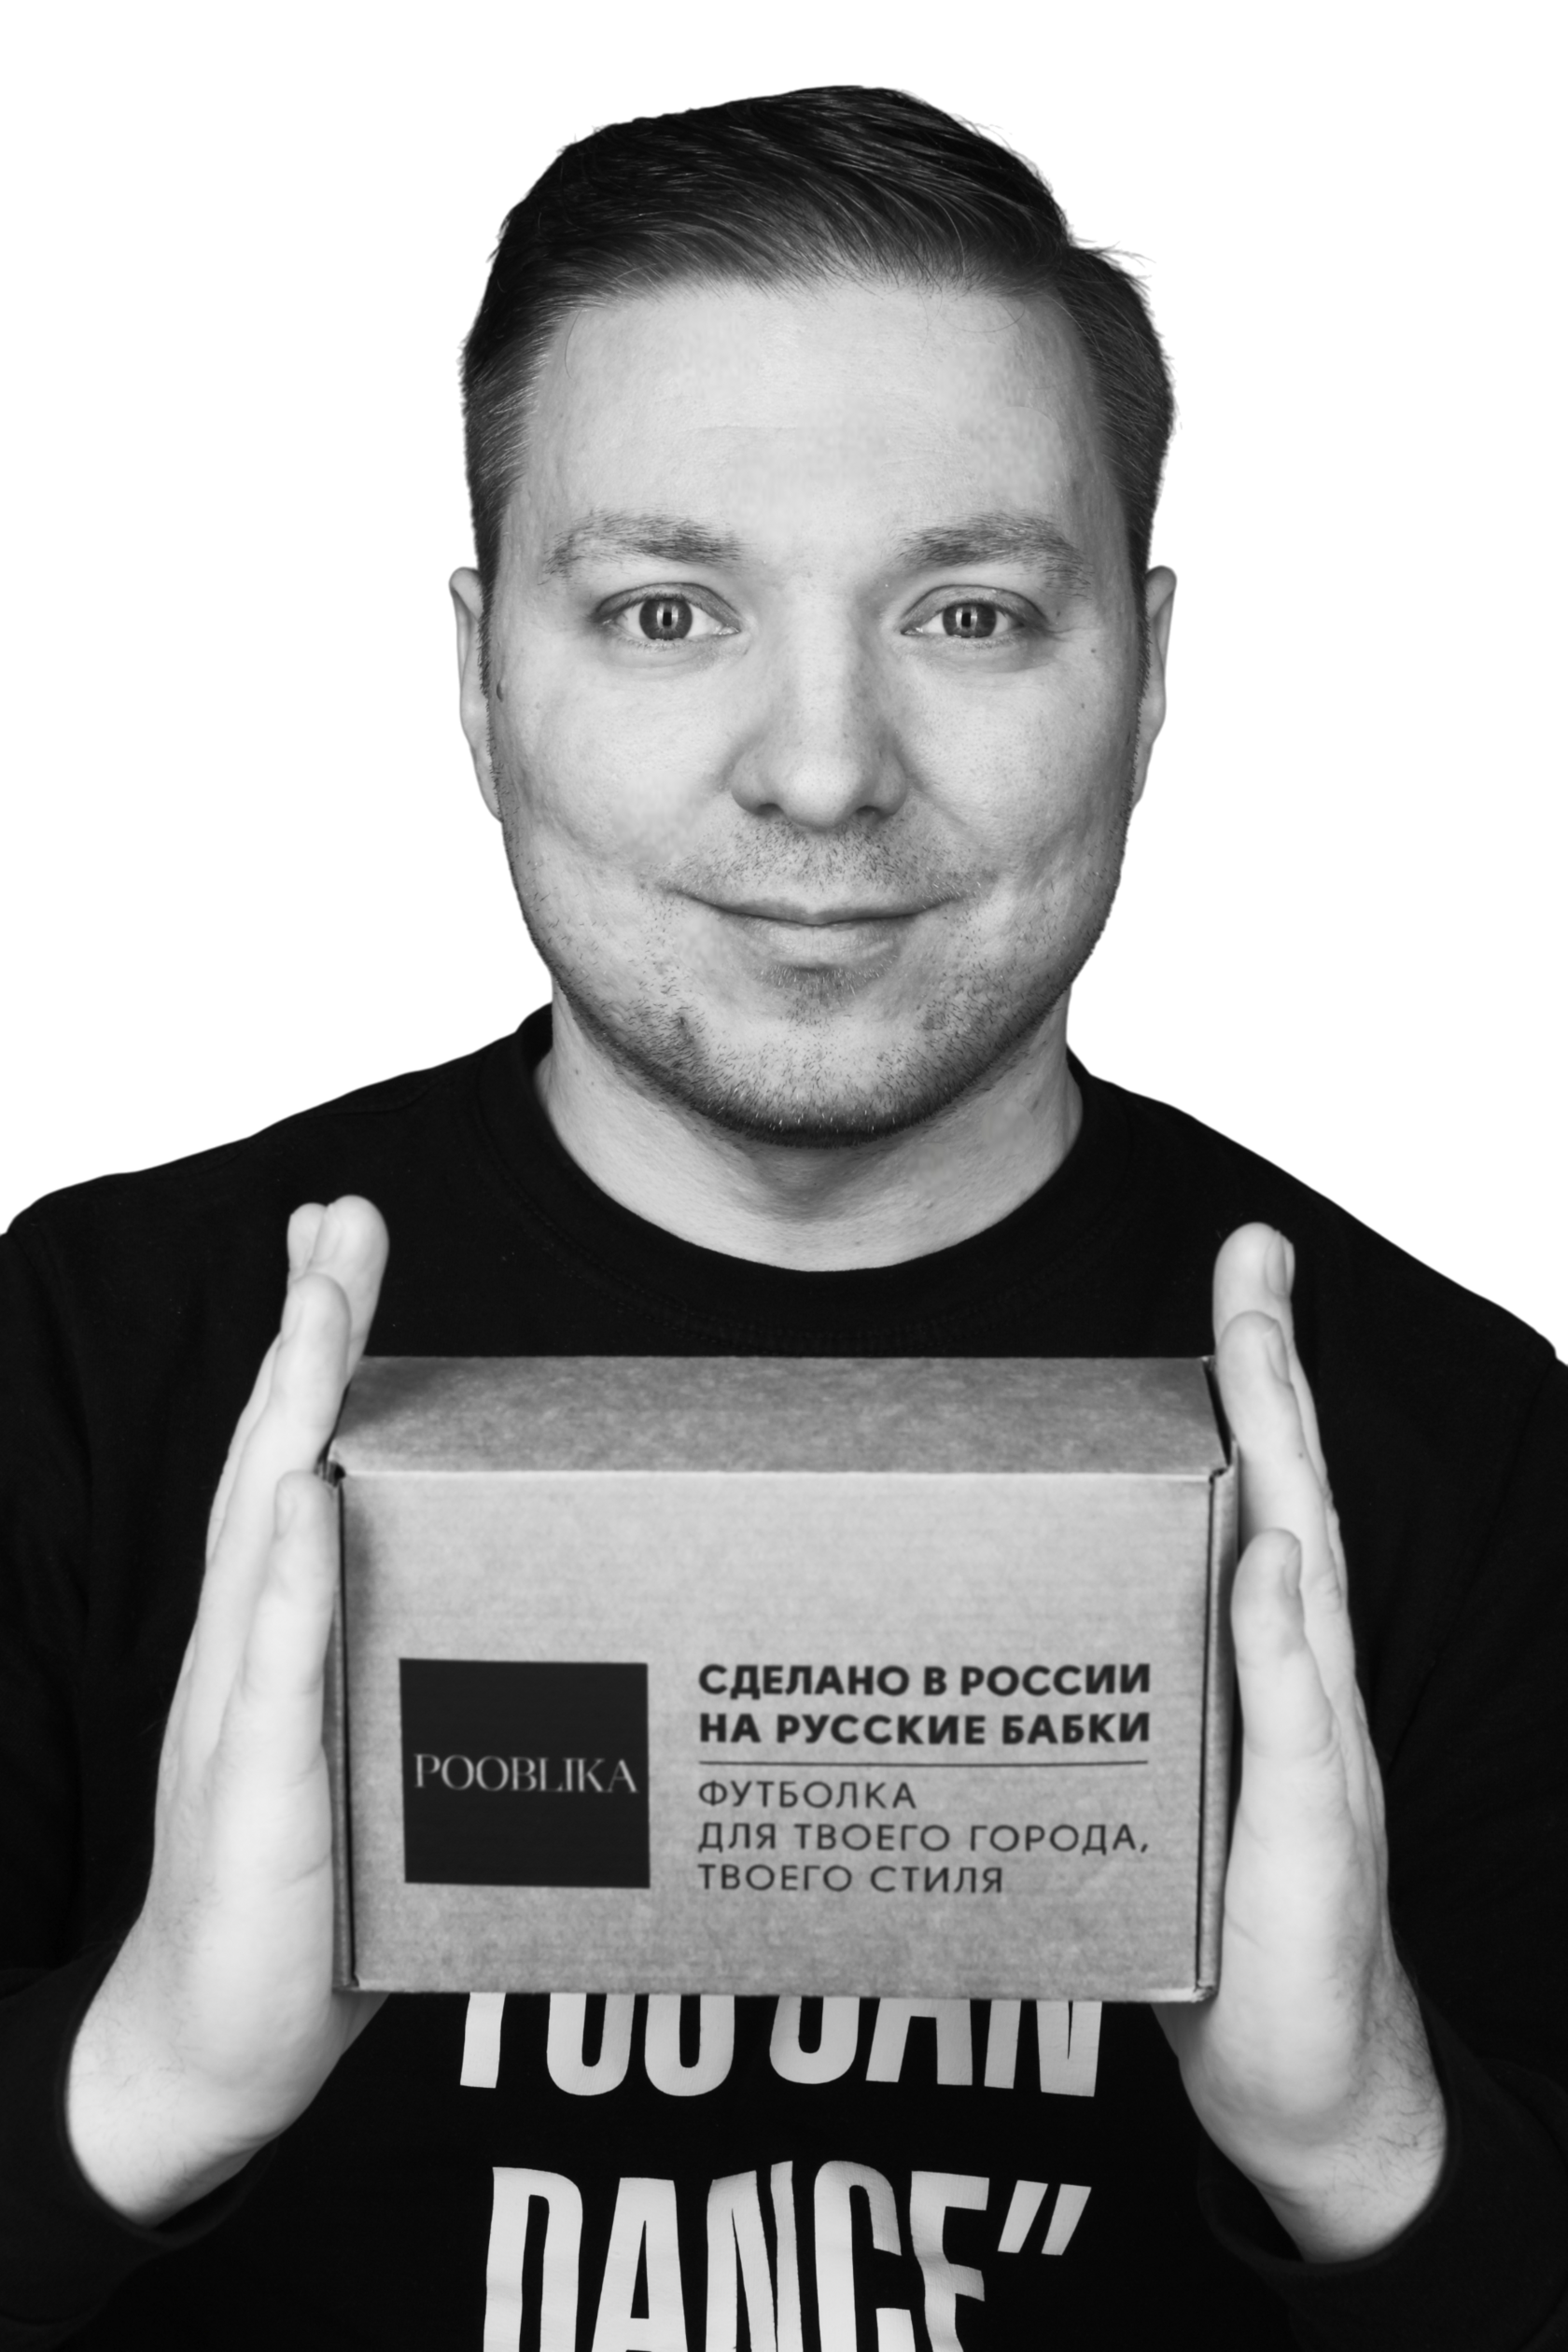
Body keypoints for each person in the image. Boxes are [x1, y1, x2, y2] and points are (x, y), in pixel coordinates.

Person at [1, 87, 1562, 2352]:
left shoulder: (1469, 1438)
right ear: (477, 688)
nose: (822, 769)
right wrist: (143, 2079)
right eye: (666, 609)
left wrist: (1366, 2149)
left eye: (969, 611)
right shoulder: (69, 1354)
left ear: (1146, 682)